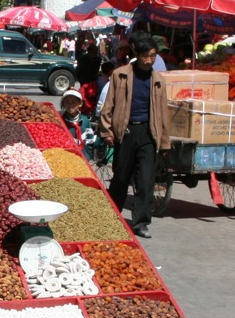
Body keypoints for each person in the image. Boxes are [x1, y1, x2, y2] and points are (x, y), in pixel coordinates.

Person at [100, 34, 170, 239]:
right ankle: (111, 216)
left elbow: (163, 113)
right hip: (126, 131)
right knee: (121, 178)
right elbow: (109, 105)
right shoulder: (120, 75)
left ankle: (141, 222)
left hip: (148, 133)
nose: (149, 60)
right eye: (146, 56)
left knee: (146, 180)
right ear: (136, 55)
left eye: (153, 56)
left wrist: (164, 141)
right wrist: (107, 131)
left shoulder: (158, 81)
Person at [60, 89, 96, 158]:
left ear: (80, 104)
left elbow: (90, 139)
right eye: (67, 102)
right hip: (66, 158)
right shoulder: (60, 121)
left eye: (73, 102)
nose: (70, 105)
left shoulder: (85, 121)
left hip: (83, 157)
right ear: (63, 104)